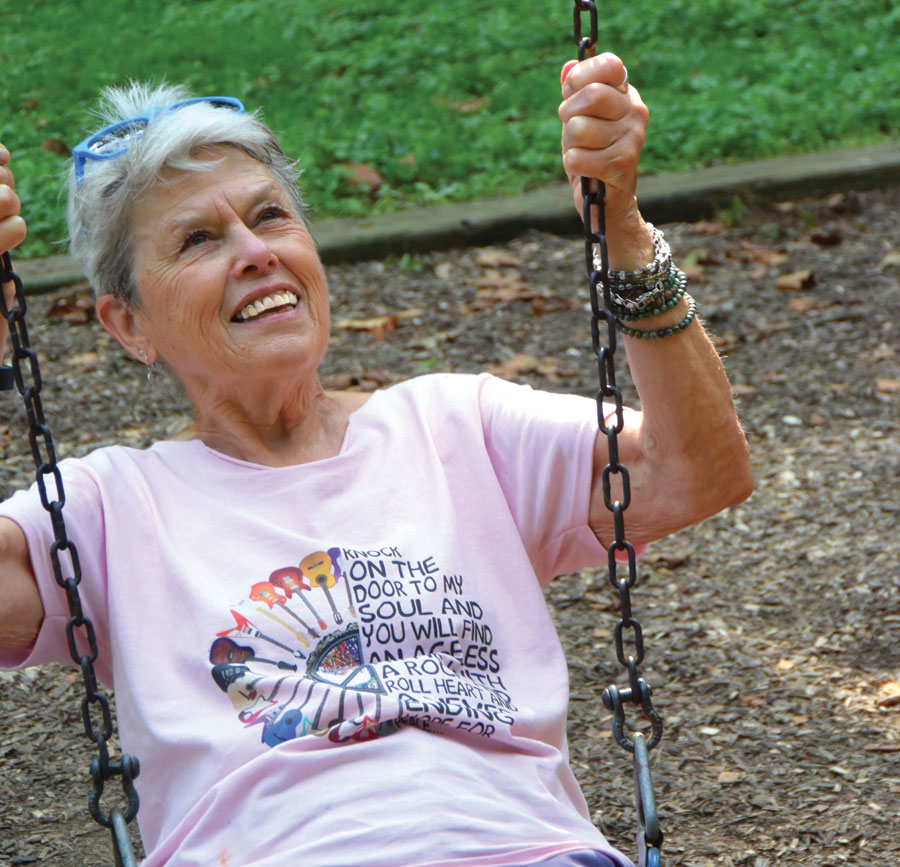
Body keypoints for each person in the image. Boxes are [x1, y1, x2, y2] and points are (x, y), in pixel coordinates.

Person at [0, 53, 752, 867]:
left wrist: (624, 232)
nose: (256, 251)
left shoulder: (455, 426)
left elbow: (696, 471)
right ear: (129, 325)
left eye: (271, 216)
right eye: (199, 239)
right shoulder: (110, 507)